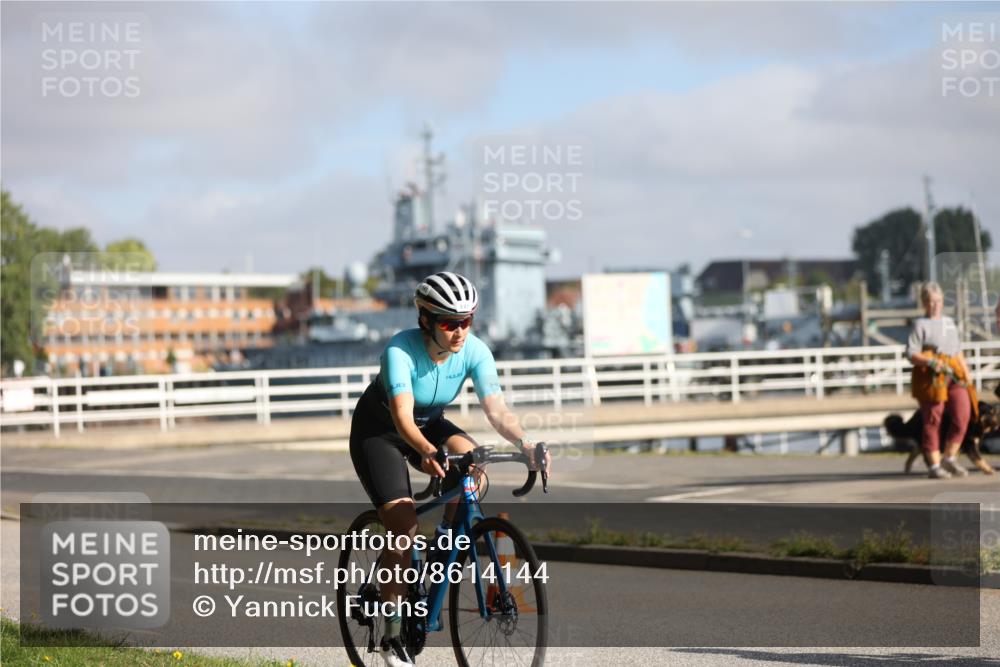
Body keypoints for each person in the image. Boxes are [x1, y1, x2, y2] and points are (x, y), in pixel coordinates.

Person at [349, 271, 550, 667]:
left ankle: (446, 542)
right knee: (404, 529)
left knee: (475, 465)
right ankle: (391, 635)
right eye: (449, 323)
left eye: (466, 322)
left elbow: (496, 410)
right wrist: (425, 452)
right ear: (426, 319)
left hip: (429, 422)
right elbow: (403, 419)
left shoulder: (475, 350)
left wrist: (525, 443)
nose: (460, 332)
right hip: (382, 432)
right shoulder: (400, 352)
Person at [907, 282, 975, 479]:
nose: (934, 305)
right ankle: (934, 465)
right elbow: (911, 352)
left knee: (963, 415)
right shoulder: (920, 325)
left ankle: (950, 458)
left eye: (937, 301)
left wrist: (966, 371)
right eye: (929, 301)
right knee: (932, 418)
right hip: (931, 377)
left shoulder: (949, 323)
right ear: (924, 303)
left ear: (943, 301)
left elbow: (957, 349)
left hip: (953, 372)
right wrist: (930, 360)